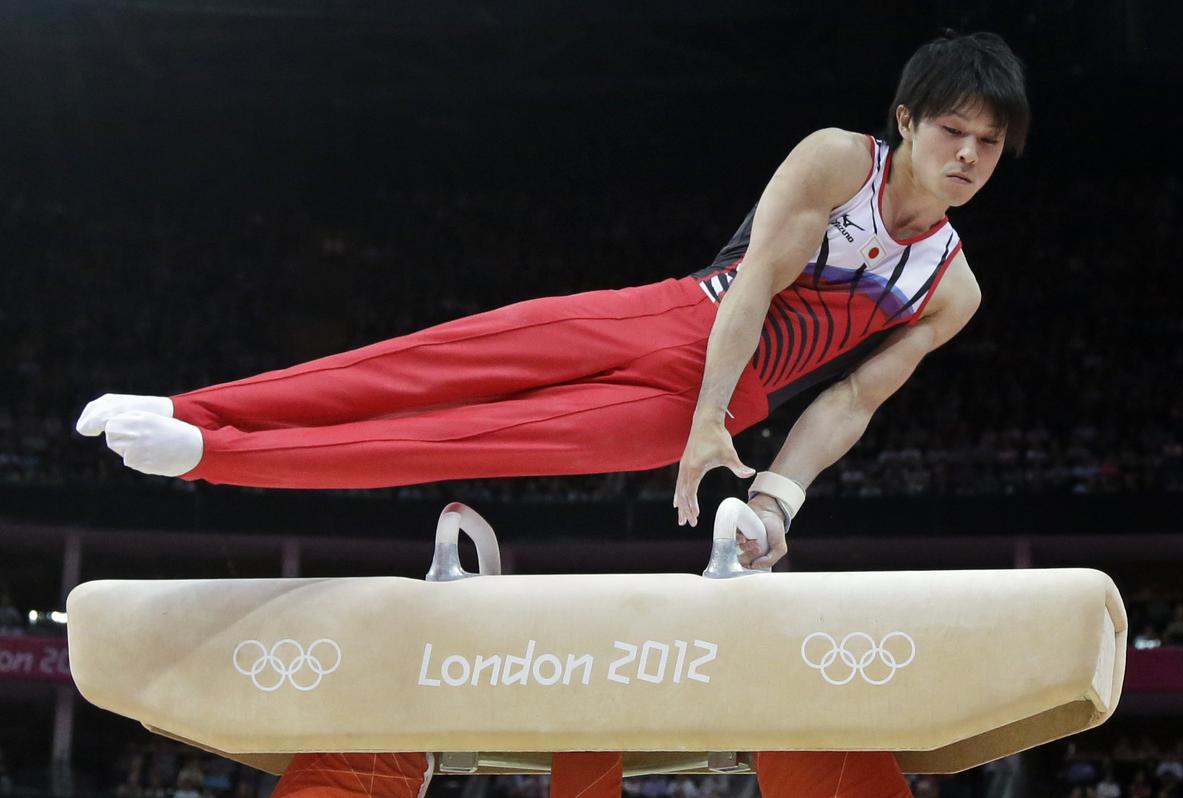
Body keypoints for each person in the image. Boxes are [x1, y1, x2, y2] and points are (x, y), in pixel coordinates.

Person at [75, 29, 1028, 798]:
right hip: (672, 321)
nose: (970, 157)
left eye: (989, 145)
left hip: (718, 404)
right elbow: (751, 294)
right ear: (905, 122)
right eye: (954, 131)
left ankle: (206, 452)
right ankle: (189, 405)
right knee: (430, 367)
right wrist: (706, 425)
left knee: (449, 442)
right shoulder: (836, 162)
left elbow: (854, 395)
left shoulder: (952, 289)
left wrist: (775, 499)